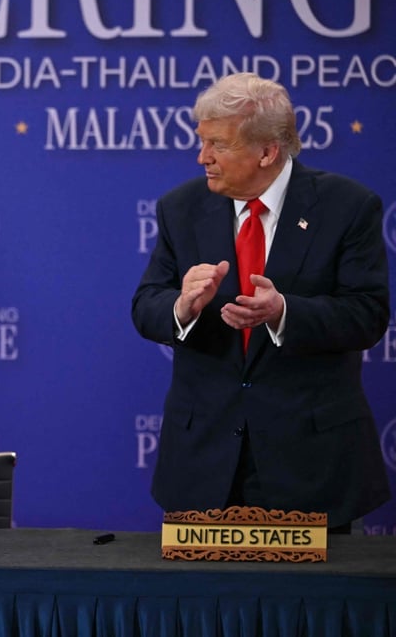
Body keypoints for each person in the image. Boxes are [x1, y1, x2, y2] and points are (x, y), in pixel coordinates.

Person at [132, 72, 390, 530]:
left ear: (268, 151)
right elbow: (146, 304)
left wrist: (285, 312)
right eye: (202, 142)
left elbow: (367, 315)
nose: (202, 157)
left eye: (218, 145)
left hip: (310, 464)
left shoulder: (347, 207)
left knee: (313, 603)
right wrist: (183, 306)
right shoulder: (180, 208)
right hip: (203, 463)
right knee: (205, 603)